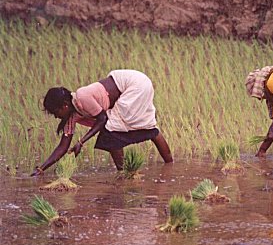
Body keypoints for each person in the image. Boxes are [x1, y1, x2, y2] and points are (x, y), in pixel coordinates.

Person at [30, 69, 173, 176]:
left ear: (65, 106)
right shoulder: (72, 116)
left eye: (56, 112)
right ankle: (169, 166)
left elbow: (102, 118)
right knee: (147, 127)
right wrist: (41, 169)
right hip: (136, 84)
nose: (56, 117)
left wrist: (81, 142)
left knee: (110, 131)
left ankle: (123, 173)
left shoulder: (82, 97)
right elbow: (63, 146)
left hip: (135, 85)